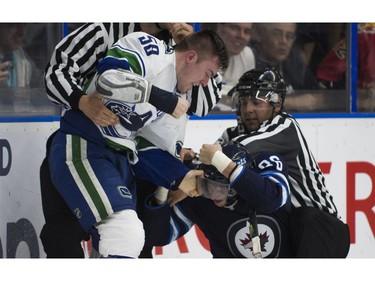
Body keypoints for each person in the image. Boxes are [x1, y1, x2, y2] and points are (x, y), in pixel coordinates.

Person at [39, 22, 222, 258]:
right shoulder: (111, 31)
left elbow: (199, 104)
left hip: (124, 157)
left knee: (132, 238)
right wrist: (80, 100)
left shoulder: (178, 62)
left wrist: (180, 175)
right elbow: (62, 73)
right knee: (68, 235)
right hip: (84, 141)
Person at [216, 68, 350, 257]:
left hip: (322, 230)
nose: (247, 109)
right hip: (286, 229)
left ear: (276, 104)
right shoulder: (232, 134)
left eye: (256, 102)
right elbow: (212, 160)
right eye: (244, 102)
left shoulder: (286, 126)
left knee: (306, 217)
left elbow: (229, 154)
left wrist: (209, 157)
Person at [141, 140, 293, 258]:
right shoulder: (197, 192)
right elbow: (157, 236)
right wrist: (165, 182)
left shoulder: (264, 164)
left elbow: (270, 199)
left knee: (310, 218)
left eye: (222, 188)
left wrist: (220, 161)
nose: (213, 194)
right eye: (209, 185)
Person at [250, 23, 319, 94]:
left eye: (289, 36)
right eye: (276, 34)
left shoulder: (295, 62)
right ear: (260, 34)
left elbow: (319, 96)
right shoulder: (249, 61)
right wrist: (292, 101)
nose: (284, 41)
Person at [215, 23, 255, 95]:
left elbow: (246, 96)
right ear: (220, 28)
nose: (241, 36)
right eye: (235, 28)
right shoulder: (202, 53)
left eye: (247, 31)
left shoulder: (247, 55)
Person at [0, 23, 43, 88]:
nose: (21, 32)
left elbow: (43, 88)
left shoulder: (24, 61)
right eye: (13, 25)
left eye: (24, 25)